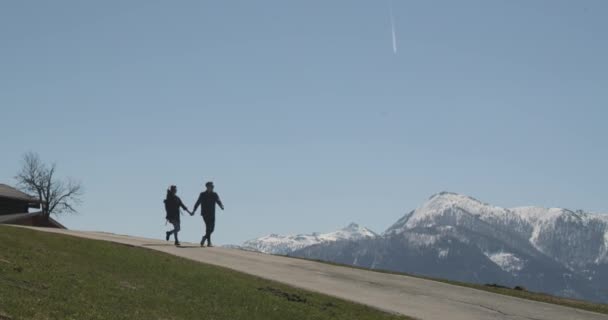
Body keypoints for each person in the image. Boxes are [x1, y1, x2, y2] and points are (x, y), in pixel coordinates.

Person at [192, 181, 224, 247]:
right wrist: (194, 210)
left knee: (212, 229)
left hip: (212, 213)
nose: (212, 187)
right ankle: (209, 242)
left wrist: (221, 205)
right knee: (208, 227)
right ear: (207, 187)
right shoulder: (202, 194)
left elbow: (218, 200)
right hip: (205, 213)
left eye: (213, 186)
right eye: (211, 186)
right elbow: (198, 203)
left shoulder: (214, 194)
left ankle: (204, 237)